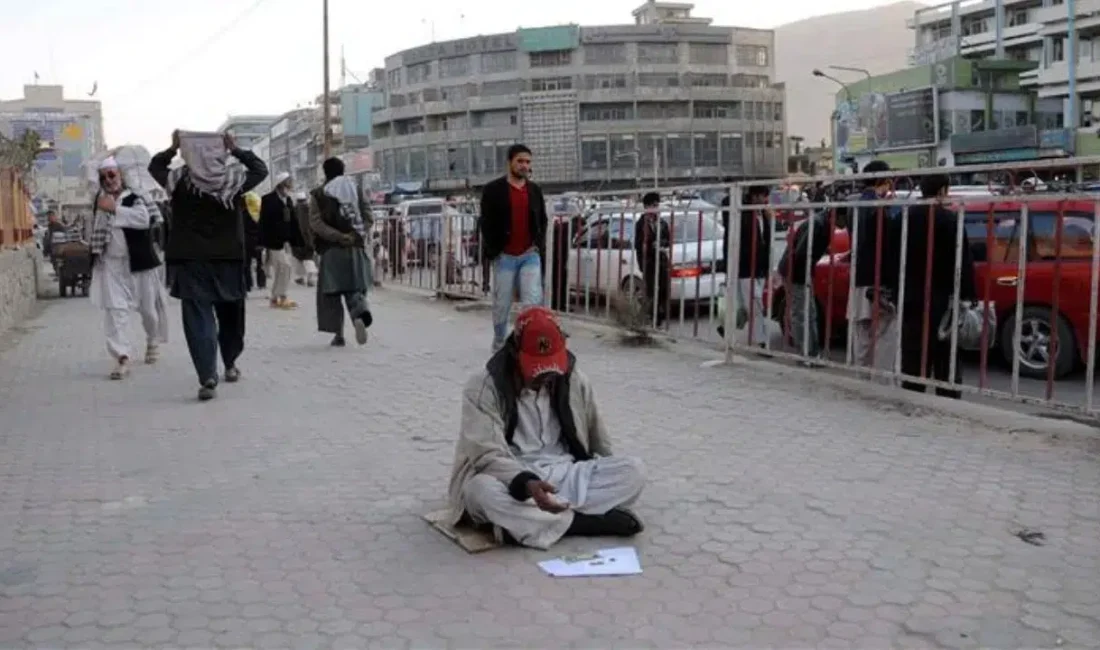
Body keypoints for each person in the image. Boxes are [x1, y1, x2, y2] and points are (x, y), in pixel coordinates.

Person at [448, 306, 646, 550]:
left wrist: (606, 472)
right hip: (511, 478)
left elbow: (599, 441)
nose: (545, 377)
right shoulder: (483, 387)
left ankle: (526, 526)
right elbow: (486, 455)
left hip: (564, 472)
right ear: (515, 354)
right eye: (536, 369)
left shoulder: (574, 380)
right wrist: (526, 483)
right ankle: (584, 523)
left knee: (634, 471)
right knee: (481, 492)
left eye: (551, 367)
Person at [149, 130, 268, 401]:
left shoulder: (178, 180)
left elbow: (155, 166)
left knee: (198, 319)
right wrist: (236, 149)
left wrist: (172, 148)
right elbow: (261, 170)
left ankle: (207, 376)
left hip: (191, 261)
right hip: (228, 260)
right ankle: (230, 363)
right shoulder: (234, 179)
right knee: (231, 318)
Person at [888, 173, 977, 399]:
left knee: (913, 354)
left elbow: (891, 257)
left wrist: (893, 291)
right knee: (946, 356)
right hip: (944, 300)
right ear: (942, 191)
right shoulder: (950, 220)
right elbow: (963, 262)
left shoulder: (903, 218)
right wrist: (968, 296)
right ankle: (947, 402)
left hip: (910, 298)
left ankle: (912, 397)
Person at [89, 156, 170, 379]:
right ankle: (122, 356)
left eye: (112, 174)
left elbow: (144, 220)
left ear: (121, 175)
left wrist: (115, 209)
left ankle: (152, 340)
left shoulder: (136, 197)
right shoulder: (99, 200)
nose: (108, 180)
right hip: (111, 265)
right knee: (115, 312)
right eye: (104, 176)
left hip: (140, 264)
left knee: (148, 311)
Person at [479, 144, 549, 350]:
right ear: (509, 162)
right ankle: (499, 342)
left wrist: (538, 245)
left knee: (532, 302)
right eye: (520, 161)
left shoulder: (534, 190)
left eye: (527, 162)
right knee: (502, 305)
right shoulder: (493, 190)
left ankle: (529, 342)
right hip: (504, 256)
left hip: (530, 255)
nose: (524, 165)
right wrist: (494, 251)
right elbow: (486, 222)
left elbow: (542, 220)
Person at [308, 157, 374, 347]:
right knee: (355, 288)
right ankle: (359, 316)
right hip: (355, 248)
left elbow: (316, 223)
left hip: (331, 250)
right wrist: (355, 235)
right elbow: (368, 216)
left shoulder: (318, 194)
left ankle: (338, 335)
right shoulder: (356, 189)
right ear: (343, 170)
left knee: (331, 294)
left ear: (325, 172)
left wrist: (337, 236)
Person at [848, 160, 896, 370]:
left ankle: (861, 376)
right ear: (882, 181)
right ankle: (880, 381)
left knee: (862, 332)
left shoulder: (853, 206)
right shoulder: (879, 208)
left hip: (858, 276)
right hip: (876, 278)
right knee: (884, 332)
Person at [718, 185, 772, 345]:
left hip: (760, 267)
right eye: (762, 197)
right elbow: (727, 205)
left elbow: (766, 241)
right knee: (755, 305)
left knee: (750, 305)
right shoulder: (742, 213)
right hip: (745, 267)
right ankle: (762, 341)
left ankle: (728, 327)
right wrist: (738, 189)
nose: (764, 201)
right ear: (754, 197)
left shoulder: (764, 215)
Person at [776, 208, 833, 363]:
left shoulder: (823, 223)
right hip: (796, 272)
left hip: (800, 272)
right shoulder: (819, 225)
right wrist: (805, 276)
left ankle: (811, 352)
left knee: (809, 312)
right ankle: (805, 354)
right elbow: (802, 253)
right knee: (801, 313)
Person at [259, 173, 305, 309]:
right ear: (281, 185)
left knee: (283, 269)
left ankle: (275, 298)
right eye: (288, 183)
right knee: (284, 267)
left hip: (286, 241)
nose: (290, 186)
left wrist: (297, 240)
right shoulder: (268, 199)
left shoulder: (288, 200)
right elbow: (263, 222)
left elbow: (293, 221)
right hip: (274, 241)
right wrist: (261, 241)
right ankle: (281, 296)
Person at [634, 192, 672, 326]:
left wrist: (662, 244)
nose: (657, 208)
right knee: (651, 291)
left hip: (661, 260)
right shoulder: (641, 224)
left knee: (663, 289)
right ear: (647, 207)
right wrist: (644, 259)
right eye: (654, 205)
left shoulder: (661, 222)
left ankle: (657, 316)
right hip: (649, 262)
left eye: (657, 205)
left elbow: (668, 239)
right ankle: (651, 318)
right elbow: (638, 245)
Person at [242, 191, 265, 293]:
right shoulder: (259, 213)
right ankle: (261, 283)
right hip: (258, 241)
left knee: (247, 264)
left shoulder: (243, 213)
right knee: (260, 263)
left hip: (246, 242)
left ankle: (248, 284)